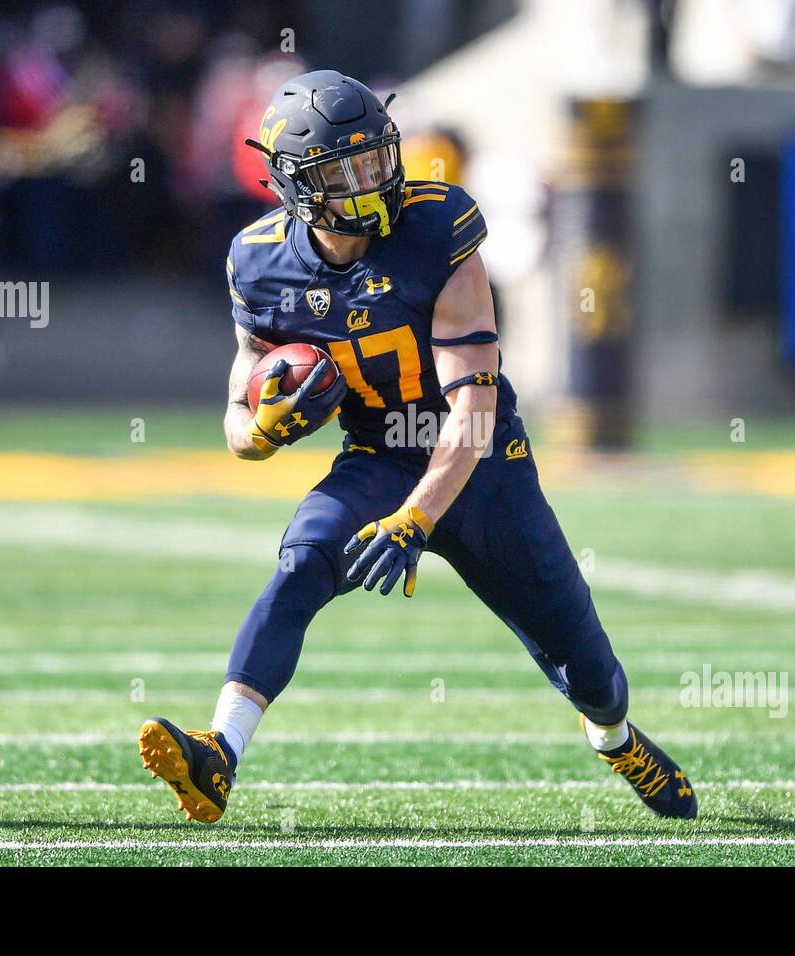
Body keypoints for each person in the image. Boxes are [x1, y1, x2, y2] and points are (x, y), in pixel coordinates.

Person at [138, 70, 696, 822]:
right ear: (298, 186)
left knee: (588, 667)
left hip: (484, 464)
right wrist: (259, 432)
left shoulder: (438, 227)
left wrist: (417, 518)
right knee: (300, 565)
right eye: (346, 171)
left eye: (376, 158)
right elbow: (241, 406)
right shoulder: (258, 260)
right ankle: (220, 753)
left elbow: (473, 403)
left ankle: (615, 738)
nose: (373, 181)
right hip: (377, 456)